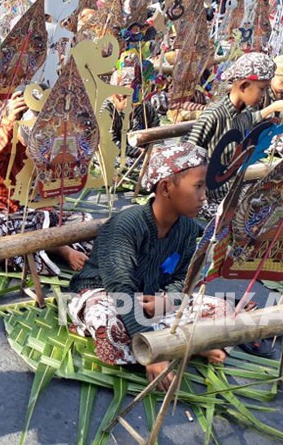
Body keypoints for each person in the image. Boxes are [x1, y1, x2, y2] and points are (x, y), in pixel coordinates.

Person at [69, 141, 228, 387]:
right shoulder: (126, 226)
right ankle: (178, 343)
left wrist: (169, 300)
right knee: (108, 325)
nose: (204, 196)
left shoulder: (187, 229)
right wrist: (150, 348)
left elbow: (183, 278)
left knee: (222, 310)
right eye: (197, 187)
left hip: (153, 300)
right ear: (166, 187)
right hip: (107, 294)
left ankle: (176, 342)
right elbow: (120, 288)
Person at [0, 91, 91, 276]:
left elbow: (53, 181)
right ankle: (60, 248)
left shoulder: (40, 148)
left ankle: (50, 241)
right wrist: (10, 122)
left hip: (28, 213)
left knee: (85, 220)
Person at [186, 53, 283, 208]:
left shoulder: (243, 114)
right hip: (209, 198)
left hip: (230, 190)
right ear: (243, 86)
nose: (263, 95)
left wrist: (269, 121)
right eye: (262, 89)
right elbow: (187, 157)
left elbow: (252, 118)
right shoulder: (213, 115)